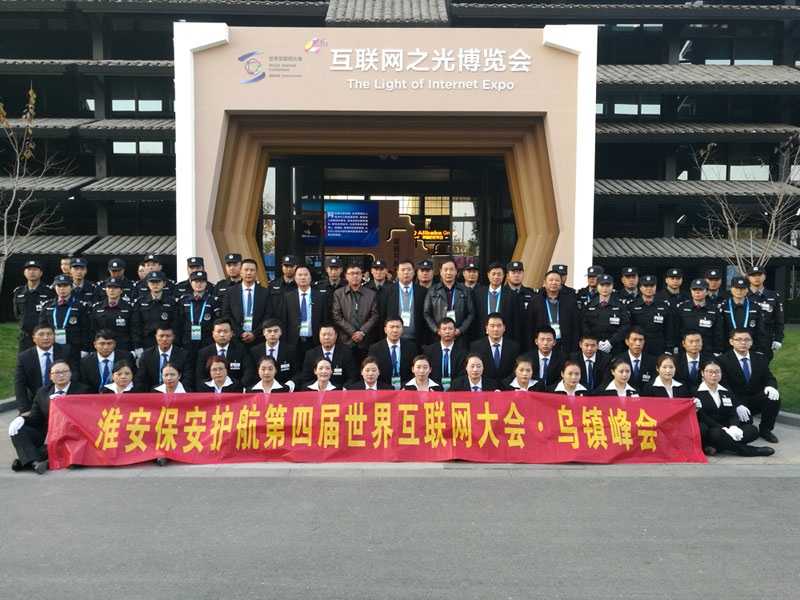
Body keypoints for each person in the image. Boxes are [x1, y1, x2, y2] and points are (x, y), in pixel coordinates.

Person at [8, 359, 90, 474]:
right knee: (18, 429)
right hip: (47, 434)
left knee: (51, 449)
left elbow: (86, 417)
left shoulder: (83, 390)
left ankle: (28, 461)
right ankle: (36, 462)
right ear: (50, 376)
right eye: (56, 372)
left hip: (71, 434)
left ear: (71, 374)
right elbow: (36, 419)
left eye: (65, 371)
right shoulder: (42, 392)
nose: (61, 375)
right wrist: (21, 419)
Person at [693, 359, 774, 457]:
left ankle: (720, 446)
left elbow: (732, 412)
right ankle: (750, 451)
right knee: (716, 434)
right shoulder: (695, 392)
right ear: (702, 373)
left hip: (727, 427)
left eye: (717, 372)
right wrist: (722, 428)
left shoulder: (726, 391)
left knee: (752, 430)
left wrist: (734, 426)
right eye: (709, 372)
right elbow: (702, 416)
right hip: (712, 428)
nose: (714, 375)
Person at [719, 329, 781, 444]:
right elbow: (724, 386)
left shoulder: (759, 358)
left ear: (751, 342)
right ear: (731, 341)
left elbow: (769, 377)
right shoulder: (722, 360)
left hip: (753, 398)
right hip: (735, 401)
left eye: (747, 340)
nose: (743, 342)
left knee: (773, 397)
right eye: (739, 339)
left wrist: (771, 386)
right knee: (746, 426)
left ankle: (766, 430)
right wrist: (737, 405)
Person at [13, 324, 77, 416]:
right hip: (37, 401)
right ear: (34, 338)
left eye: (49, 334)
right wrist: (24, 410)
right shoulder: (24, 357)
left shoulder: (66, 351)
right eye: (41, 334)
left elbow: (75, 374)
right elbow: (19, 384)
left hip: (64, 398)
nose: (46, 338)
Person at [331, 263, 379, 362]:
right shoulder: (338, 294)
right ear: (346, 276)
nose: (355, 276)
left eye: (357, 273)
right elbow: (336, 316)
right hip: (345, 341)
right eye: (352, 273)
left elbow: (374, 316)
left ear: (362, 275)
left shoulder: (371, 294)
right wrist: (352, 332)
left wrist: (362, 332)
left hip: (365, 340)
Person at [423, 257, 475, 345]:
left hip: (460, 337)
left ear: (456, 271)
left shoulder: (465, 290)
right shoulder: (432, 290)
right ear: (440, 272)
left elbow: (471, 313)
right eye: (445, 270)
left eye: (451, 269)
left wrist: (460, 330)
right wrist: (437, 330)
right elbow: (426, 313)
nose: (448, 273)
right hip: (438, 338)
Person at [525, 269, 580, 352]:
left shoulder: (570, 302)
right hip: (542, 344)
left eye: (557, 280)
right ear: (544, 282)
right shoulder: (535, 301)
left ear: (561, 283)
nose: (554, 283)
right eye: (551, 280)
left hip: (563, 345)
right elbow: (529, 327)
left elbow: (575, 327)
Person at [378, 258, 428, 350]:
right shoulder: (387, 290)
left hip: (416, 339)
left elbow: (425, 317)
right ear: (397, 272)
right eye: (403, 270)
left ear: (414, 272)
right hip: (393, 339)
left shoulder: (422, 291)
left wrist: (424, 340)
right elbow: (382, 315)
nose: (406, 272)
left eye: (409, 269)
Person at [222, 258, 272, 347]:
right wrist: (240, 333)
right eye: (246, 270)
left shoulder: (265, 292)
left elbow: (268, 315)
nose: (249, 273)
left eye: (252, 270)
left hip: (258, 339)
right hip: (236, 338)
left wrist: (255, 333)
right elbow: (226, 314)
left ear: (256, 273)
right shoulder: (230, 292)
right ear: (240, 272)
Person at [39, 273, 91, 359]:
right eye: (59, 286)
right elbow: (42, 327)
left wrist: (84, 349)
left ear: (71, 287)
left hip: (74, 347)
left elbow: (85, 329)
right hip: (52, 347)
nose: (62, 289)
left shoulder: (81, 306)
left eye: (65, 286)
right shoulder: (47, 306)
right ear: (55, 287)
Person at [195, 318, 255, 388]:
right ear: (213, 334)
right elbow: (200, 377)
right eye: (219, 331)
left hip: (236, 390)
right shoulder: (204, 352)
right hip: (211, 390)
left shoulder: (241, 349)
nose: (222, 335)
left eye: (225, 331)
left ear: (232, 333)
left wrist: (239, 388)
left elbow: (248, 371)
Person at [296, 324, 359, 389]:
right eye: (323, 335)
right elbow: (305, 379)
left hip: (340, 391)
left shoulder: (346, 353)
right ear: (319, 336)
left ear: (336, 336)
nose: (326, 338)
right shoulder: (310, 354)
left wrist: (342, 389)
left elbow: (353, 377)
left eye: (330, 335)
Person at [131, 270, 180, 354]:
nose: (155, 285)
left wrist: (175, 344)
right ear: (148, 284)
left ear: (164, 283)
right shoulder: (141, 302)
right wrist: (138, 346)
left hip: (166, 342)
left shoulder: (172, 302)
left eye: (158, 282)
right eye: (152, 282)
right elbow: (136, 326)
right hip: (146, 343)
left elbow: (176, 326)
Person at [177, 269, 222, 360]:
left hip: (207, 341)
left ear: (206, 283)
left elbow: (216, 322)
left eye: (202, 281)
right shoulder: (184, 301)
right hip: (188, 341)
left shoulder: (213, 301)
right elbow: (180, 323)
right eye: (196, 281)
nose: (199, 284)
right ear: (191, 283)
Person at [581, 274, 630, 356]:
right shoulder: (589, 305)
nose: (605, 288)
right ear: (597, 286)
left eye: (608, 285)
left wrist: (610, 342)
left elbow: (625, 325)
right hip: (593, 346)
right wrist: (596, 342)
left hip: (615, 346)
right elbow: (584, 325)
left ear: (612, 286)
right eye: (602, 285)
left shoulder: (620, 305)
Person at [135, 325, 194, 392]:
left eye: (168, 336)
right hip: (153, 392)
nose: (164, 339)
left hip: (176, 392)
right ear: (156, 337)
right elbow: (140, 379)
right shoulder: (147, 355)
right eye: (161, 336)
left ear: (173, 337)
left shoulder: (183, 355)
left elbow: (188, 380)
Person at [473, 261, 521, 344]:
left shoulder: (511, 295)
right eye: (493, 274)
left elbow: (516, 320)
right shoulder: (478, 294)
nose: (496, 277)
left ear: (504, 276)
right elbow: (475, 318)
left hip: (505, 338)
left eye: (499, 274)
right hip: (482, 337)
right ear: (488, 275)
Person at [674, 278, 725, 355]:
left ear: (707, 292)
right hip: (685, 350)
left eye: (700, 290)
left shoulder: (714, 310)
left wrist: (717, 350)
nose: (697, 292)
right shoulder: (682, 308)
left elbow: (718, 332)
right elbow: (676, 329)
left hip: (707, 350)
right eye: (694, 290)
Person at [13, 259, 55, 352]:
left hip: (44, 337)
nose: (32, 272)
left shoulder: (49, 292)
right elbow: (17, 313)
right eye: (29, 270)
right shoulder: (19, 292)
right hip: (25, 337)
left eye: (35, 269)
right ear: (24, 273)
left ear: (41, 273)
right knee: (24, 360)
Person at [627, 274, 673, 356]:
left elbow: (669, 330)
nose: (649, 288)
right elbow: (628, 327)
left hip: (658, 345)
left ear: (655, 287)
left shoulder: (663, 306)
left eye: (652, 286)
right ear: (640, 288)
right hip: (638, 344)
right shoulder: (632, 306)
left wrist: (668, 348)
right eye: (646, 286)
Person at [720, 276, 768, 354]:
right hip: (728, 349)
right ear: (731, 289)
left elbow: (760, 330)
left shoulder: (755, 307)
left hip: (750, 349)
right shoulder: (723, 307)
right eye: (736, 288)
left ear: (747, 290)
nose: (739, 291)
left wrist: (760, 349)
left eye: (742, 288)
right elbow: (719, 331)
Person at [367, 316, 416, 389]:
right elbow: (372, 369)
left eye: (398, 327)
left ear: (402, 329)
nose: (395, 330)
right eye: (391, 327)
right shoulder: (375, 348)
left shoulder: (411, 347)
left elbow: (414, 369)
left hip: (405, 388)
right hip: (383, 388)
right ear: (385, 330)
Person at [469, 312, 520, 383]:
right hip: (486, 386)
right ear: (487, 328)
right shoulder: (476, 346)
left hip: (507, 386)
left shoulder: (514, 347)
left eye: (499, 326)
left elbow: (515, 370)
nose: (496, 329)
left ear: (504, 328)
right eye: (492, 326)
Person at [747, 265, 784, 361]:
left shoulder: (774, 296)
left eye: (759, 275)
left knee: (763, 366)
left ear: (765, 276)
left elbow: (779, 319)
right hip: (746, 337)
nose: (757, 278)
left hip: (766, 337)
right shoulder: (743, 295)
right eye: (753, 275)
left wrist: (778, 339)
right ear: (748, 277)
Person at [89, 277, 134, 351]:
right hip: (103, 347)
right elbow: (93, 330)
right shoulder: (97, 308)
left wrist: (134, 348)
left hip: (123, 346)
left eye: (115, 287)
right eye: (109, 287)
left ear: (121, 290)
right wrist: (91, 349)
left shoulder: (129, 308)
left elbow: (133, 330)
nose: (111, 290)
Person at [248, 318, 297, 388]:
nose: (272, 334)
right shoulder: (254, 351)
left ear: (280, 332)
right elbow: (252, 372)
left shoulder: (290, 350)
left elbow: (297, 372)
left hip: (284, 388)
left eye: (276, 331)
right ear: (263, 332)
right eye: (269, 331)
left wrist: (290, 384)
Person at [423, 317, 466, 392]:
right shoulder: (429, 351)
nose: (447, 331)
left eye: (450, 329)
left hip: (455, 390)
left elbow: (462, 375)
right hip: (434, 390)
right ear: (439, 331)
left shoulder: (463, 353)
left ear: (455, 331)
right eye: (444, 329)